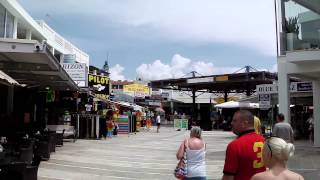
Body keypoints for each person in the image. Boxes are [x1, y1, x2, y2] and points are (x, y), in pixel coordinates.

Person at [222, 110, 266, 180]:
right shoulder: (265, 141)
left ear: (244, 123)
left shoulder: (235, 145)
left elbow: (228, 176)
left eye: (235, 121)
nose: (231, 123)